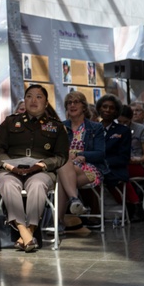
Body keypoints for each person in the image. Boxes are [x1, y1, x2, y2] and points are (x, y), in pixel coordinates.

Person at [0, 84, 69, 252]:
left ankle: (29, 232)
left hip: (41, 170)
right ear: (24, 100)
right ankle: (24, 232)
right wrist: (9, 166)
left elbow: (62, 156)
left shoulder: (56, 127)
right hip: (11, 168)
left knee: (37, 184)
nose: (33, 100)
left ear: (46, 103)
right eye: (29, 96)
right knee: (7, 183)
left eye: (39, 97)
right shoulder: (10, 122)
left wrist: (42, 165)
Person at [56, 91, 104, 224]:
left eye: (76, 102)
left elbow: (100, 154)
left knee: (62, 177)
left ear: (84, 106)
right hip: (66, 167)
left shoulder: (95, 127)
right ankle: (74, 199)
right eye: (69, 103)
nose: (72, 105)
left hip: (89, 168)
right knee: (64, 169)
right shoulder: (61, 127)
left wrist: (80, 155)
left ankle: (58, 222)